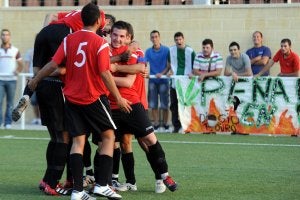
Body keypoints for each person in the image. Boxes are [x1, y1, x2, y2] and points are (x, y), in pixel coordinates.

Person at [28, 3, 131, 200]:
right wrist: (118, 97)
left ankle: (77, 191)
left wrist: (35, 80)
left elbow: (52, 64)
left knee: (78, 141)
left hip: (71, 99)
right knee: (109, 136)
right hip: (91, 97)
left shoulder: (68, 39)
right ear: (99, 21)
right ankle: (102, 184)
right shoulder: (100, 42)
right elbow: (104, 72)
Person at [105, 20, 178, 193]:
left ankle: (161, 176)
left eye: (121, 36)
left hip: (135, 102)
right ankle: (120, 182)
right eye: (113, 34)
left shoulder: (135, 50)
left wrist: (107, 72)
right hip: (110, 104)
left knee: (146, 141)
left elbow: (139, 68)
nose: (117, 38)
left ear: (129, 37)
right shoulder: (104, 48)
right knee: (118, 142)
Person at [169, 32, 196, 133]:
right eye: (176, 40)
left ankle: (187, 125)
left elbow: (196, 65)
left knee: (186, 104)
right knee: (174, 105)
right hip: (174, 82)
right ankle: (176, 126)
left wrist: (193, 73)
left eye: (180, 39)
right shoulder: (171, 50)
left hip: (186, 83)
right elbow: (169, 64)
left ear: (183, 39)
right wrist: (169, 72)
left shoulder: (190, 51)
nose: (178, 41)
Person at [145, 30, 170, 132]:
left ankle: (165, 124)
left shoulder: (166, 50)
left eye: (156, 37)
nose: (154, 39)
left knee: (165, 104)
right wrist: (144, 72)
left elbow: (169, 65)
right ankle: (155, 124)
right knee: (153, 104)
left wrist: (162, 73)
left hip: (164, 80)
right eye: (152, 37)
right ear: (151, 39)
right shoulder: (148, 51)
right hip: (152, 81)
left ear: (159, 37)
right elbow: (144, 63)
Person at [0, 29, 23, 129]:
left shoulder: (15, 50)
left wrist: (17, 71)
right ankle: (0, 122)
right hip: (0, 79)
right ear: (1, 37)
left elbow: (21, 64)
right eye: (3, 35)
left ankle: (8, 123)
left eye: (7, 35)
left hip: (12, 80)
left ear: (9, 37)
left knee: (10, 102)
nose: (5, 37)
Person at [23, 47, 41, 125]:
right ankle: (37, 118)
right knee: (33, 101)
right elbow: (27, 65)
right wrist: (27, 77)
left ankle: (41, 118)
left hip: (42, 78)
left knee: (41, 100)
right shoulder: (30, 52)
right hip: (32, 79)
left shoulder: (45, 50)